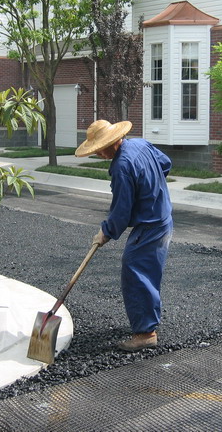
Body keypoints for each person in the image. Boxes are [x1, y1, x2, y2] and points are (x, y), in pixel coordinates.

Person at [75, 119, 173, 352]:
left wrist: (106, 232)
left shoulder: (121, 167)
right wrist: (151, 189)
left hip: (150, 226)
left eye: (99, 149)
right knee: (147, 272)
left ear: (109, 144)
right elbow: (166, 163)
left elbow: (121, 210)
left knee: (136, 272)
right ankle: (148, 320)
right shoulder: (140, 144)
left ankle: (146, 333)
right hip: (164, 217)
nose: (98, 154)